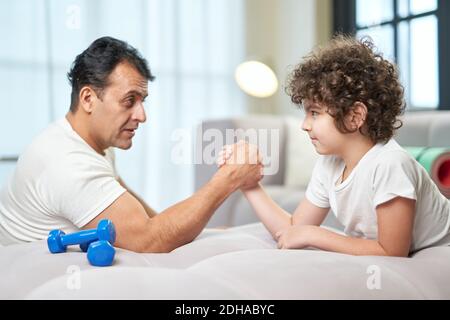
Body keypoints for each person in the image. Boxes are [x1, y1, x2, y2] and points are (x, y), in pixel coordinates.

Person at [0, 36, 263, 252]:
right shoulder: (67, 162)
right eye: (129, 101)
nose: (141, 115)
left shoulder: (89, 143)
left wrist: (205, 233)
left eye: (142, 101)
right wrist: (228, 179)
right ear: (89, 99)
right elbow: (150, 239)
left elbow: (143, 215)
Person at [218, 35, 450, 257]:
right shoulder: (329, 164)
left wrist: (316, 235)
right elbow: (293, 228)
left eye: (315, 113)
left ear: (355, 116)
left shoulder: (389, 164)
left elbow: (392, 252)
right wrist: (249, 185)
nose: (304, 125)